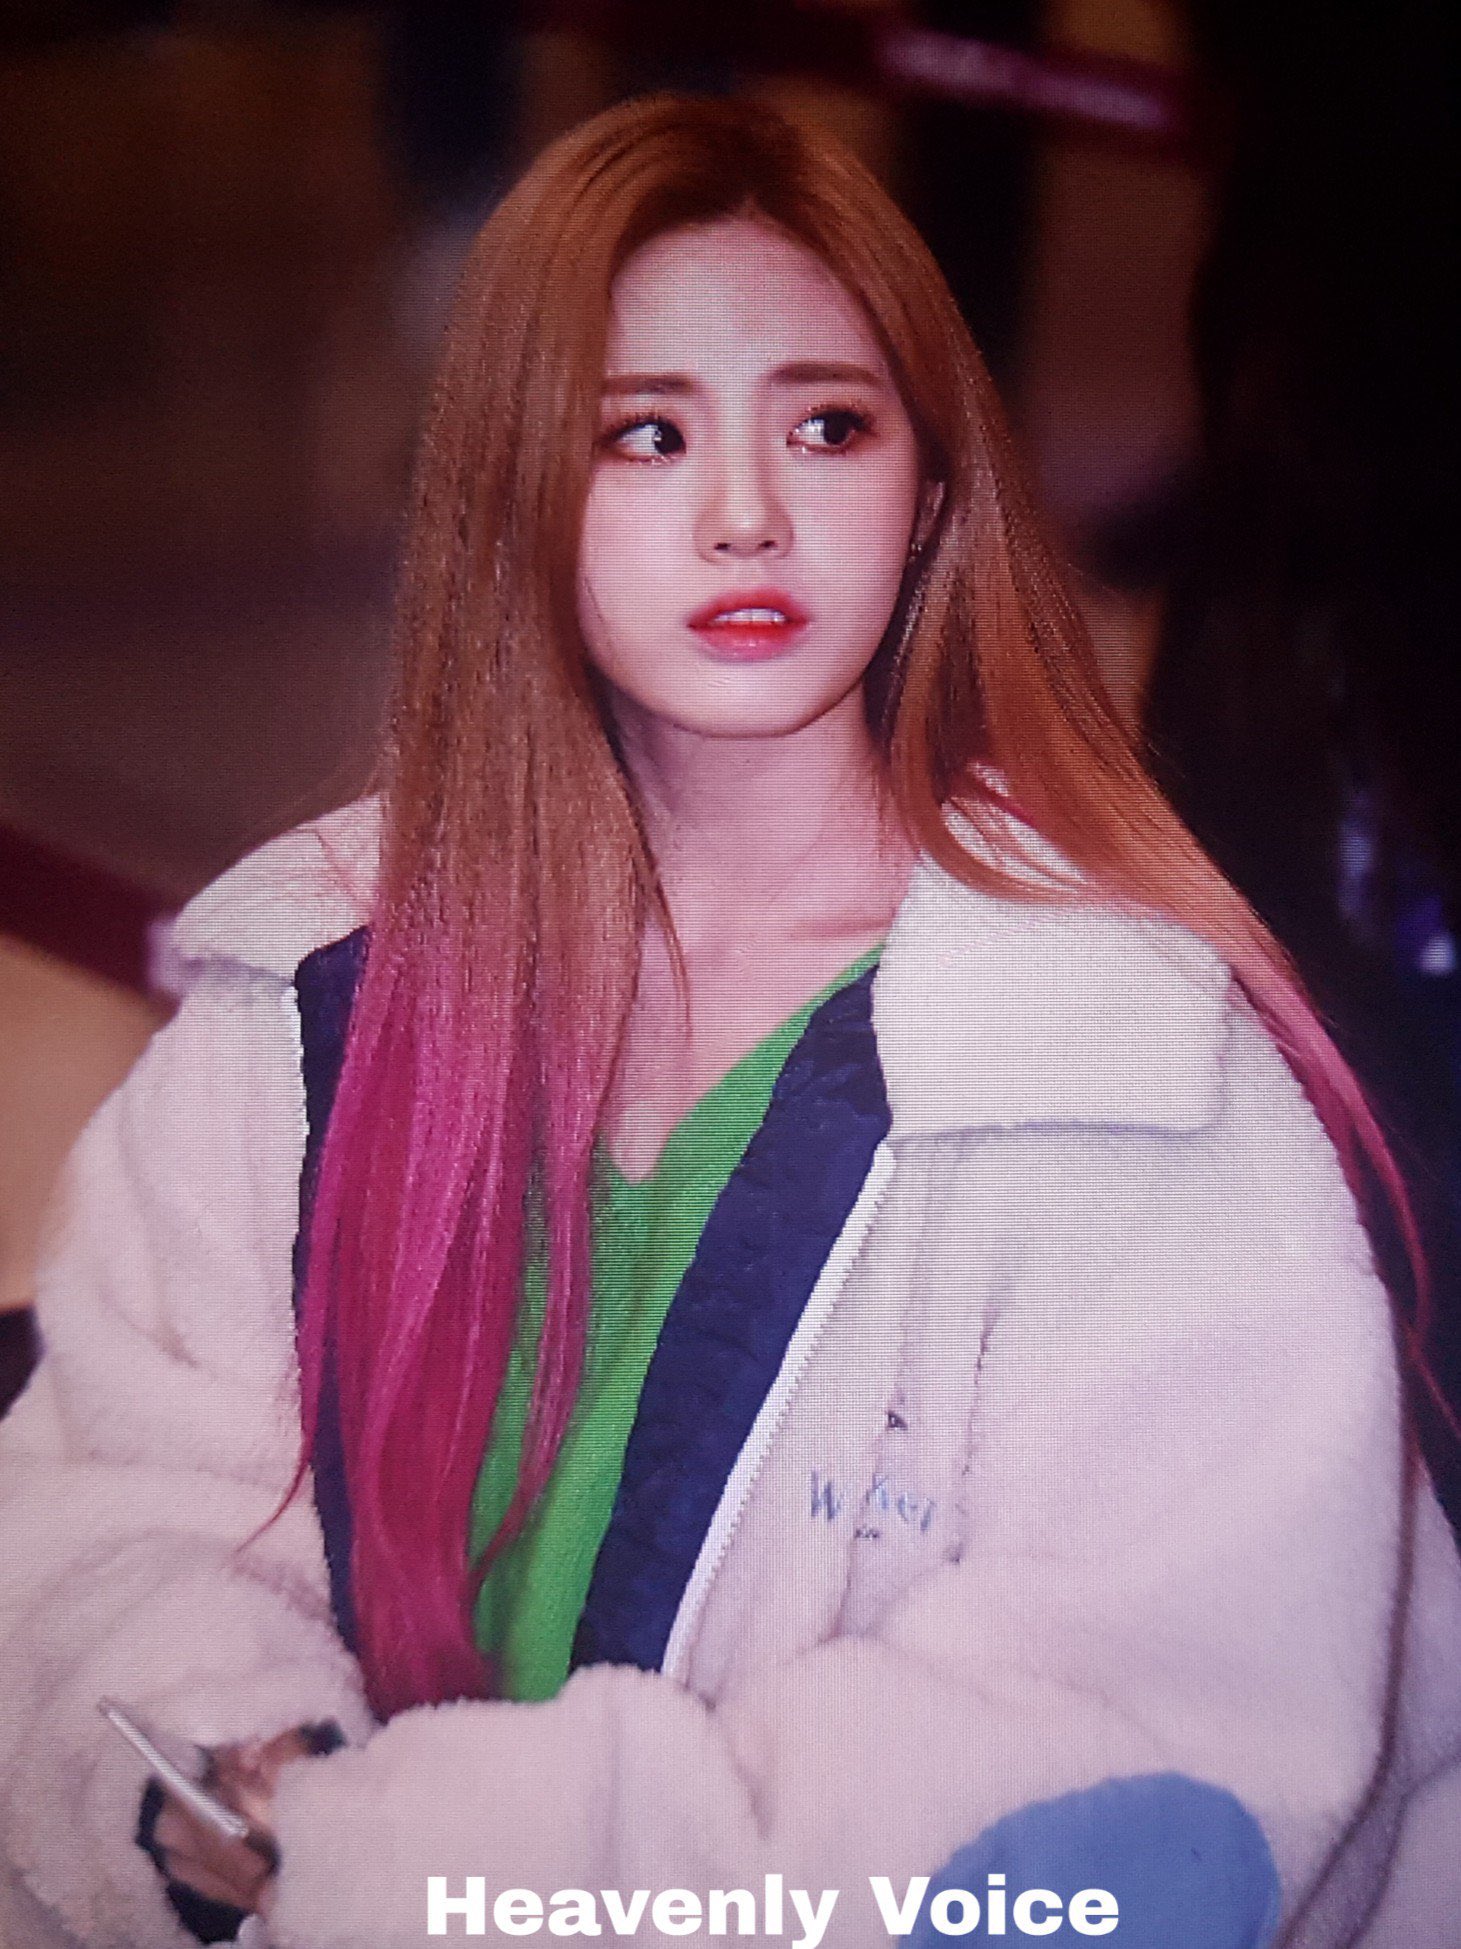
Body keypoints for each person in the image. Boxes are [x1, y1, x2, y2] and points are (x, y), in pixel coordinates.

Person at [1, 92, 1459, 1949]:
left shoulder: (1123, 1066)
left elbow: (1135, 1782)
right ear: (513, 493)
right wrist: (222, 1773)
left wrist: (429, 1876)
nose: (747, 512)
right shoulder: (307, 990)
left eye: (828, 427)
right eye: (647, 434)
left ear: (930, 499)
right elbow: (112, 1497)